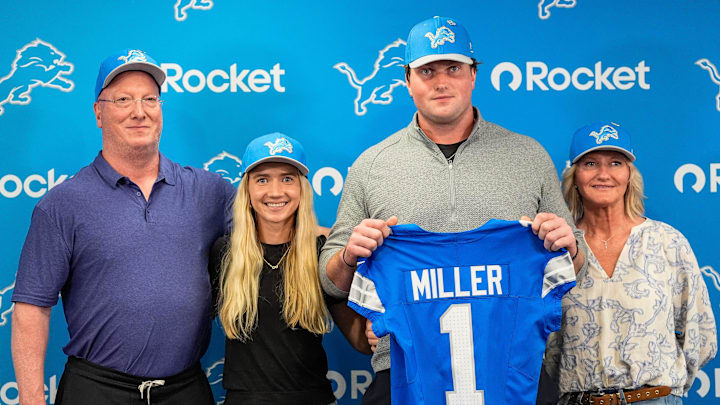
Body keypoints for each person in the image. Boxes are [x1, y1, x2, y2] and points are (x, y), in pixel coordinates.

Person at [319, 16, 585, 404]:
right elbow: (330, 283)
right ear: (408, 80)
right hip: (406, 372)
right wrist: (349, 254)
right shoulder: (372, 164)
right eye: (427, 70)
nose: (441, 81)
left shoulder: (528, 155)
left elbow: (574, 264)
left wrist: (569, 247)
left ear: (473, 76)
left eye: (453, 68)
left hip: (513, 370)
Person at [11, 49, 236, 405]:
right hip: (96, 390)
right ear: (98, 112)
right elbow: (32, 307)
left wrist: (337, 244)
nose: (139, 111)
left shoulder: (209, 191)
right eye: (123, 99)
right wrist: (30, 399)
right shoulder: (62, 204)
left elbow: (276, 230)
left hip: (186, 389)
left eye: (150, 99)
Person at [544, 121, 717, 404]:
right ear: (574, 176)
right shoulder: (559, 249)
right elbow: (548, 347)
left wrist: (664, 393)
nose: (603, 174)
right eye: (590, 163)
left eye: (615, 163)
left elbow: (701, 334)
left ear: (629, 175)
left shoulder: (666, 242)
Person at [211, 134, 370, 405]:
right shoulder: (224, 253)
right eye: (262, 179)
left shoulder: (322, 251)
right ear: (247, 190)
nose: (276, 192)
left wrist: (375, 334)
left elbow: (361, 341)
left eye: (287, 178)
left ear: (302, 188)